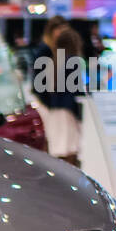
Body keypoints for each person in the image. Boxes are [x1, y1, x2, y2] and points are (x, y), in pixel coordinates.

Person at [33, 24, 85, 166]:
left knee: (58, 150)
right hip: (67, 112)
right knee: (70, 150)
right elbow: (75, 90)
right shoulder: (71, 61)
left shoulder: (55, 61)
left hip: (55, 111)